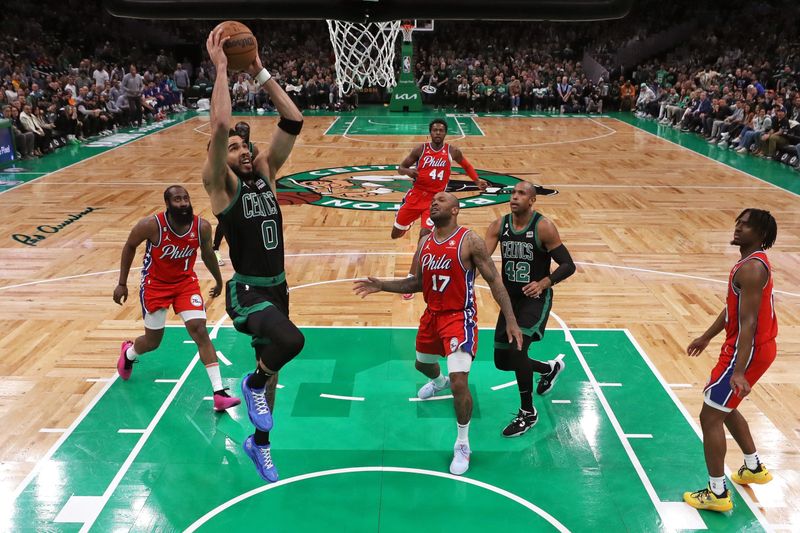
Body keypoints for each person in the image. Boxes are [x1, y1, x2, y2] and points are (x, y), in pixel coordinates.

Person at [355, 192, 523, 476]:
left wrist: (510, 320)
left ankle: (462, 444)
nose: (434, 203)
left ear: (456, 209)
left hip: (460, 318)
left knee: (460, 382)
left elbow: (495, 280)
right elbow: (417, 283)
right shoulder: (425, 242)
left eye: (442, 200)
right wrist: (381, 284)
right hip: (432, 315)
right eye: (433, 200)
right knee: (422, 364)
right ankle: (438, 381)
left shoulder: (470, 241)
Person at [203, 27, 305, 483]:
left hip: (278, 288)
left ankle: (258, 444)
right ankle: (250, 383)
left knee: (274, 376)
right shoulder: (221, 186)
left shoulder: (265, 172)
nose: (244, 151)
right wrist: (224, 69)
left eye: (246, 147)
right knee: (290, 343)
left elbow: (294, 119)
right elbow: (221, 127)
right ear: (220, 158)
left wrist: (259, 68)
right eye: (236, 149)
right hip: (247, 292)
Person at [683, 208, 778, 512]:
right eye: (739, 223)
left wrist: (739, 371)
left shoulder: (751, 270)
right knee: (723, 407)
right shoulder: (750, 263)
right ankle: (752, 467)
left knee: (709, 417)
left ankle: (717, 493)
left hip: (744, 350)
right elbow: (733, 309)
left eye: (747, 226)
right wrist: (707, 336)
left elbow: (748, 322)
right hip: (752, 347)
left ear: (761, 235)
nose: (738, 228)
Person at [112, 185, 240, 412]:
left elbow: (208, 254)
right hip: (155, 285)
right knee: (153, 342)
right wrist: (122, 283)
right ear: (168, 204)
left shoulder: (201, 227)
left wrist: (219, 281)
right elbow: (130, 246)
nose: (183, 203)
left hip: (185, 284)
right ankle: (129, 353)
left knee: (200, 330)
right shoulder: (151, 225)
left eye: (186, 198)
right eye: (178, 199)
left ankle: (219, 393)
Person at [484, 181, 575, 437]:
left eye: (521, 193)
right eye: (512, 193)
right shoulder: (499, 225)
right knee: (503, 361)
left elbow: (568, 264)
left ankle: (527, 413)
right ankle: (549, 369)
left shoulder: (543, 226)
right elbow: (482, 258)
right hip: (510, 301)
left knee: (518, 348)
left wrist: (545, 282)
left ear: (532, 200)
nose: (514, 197)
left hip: (534, 299)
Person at [394, 118, 488, 299]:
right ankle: (404, 224)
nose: (438, 133)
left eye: (441, 130)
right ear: (430, 132)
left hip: (434, 200)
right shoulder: (420, 149)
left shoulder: (452, 151)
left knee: (424, 238)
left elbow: (466, 165)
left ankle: (411, 277)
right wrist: (408, 172)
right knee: (395, 233)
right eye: (435, 130)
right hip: (415, 196)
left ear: (445, 133)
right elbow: (400, 167)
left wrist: (476, 180)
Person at [211, 121, 260, 266]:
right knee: (225, 221)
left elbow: (256, 170)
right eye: (240, 131)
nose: (243, 133)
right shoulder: (228, 148)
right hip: (231, 188)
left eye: (245, 131)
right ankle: (215, 248)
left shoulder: (253, 149)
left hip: (248, 188)